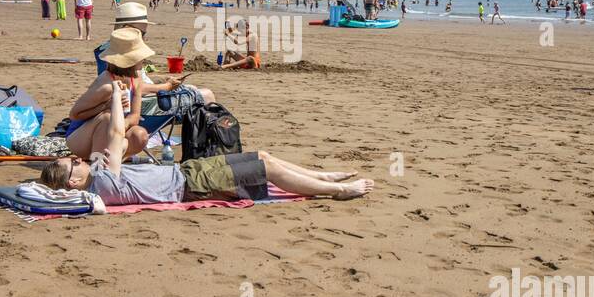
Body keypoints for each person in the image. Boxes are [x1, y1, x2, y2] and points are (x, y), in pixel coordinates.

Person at [41, 79, 375, 203]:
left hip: (189, 171)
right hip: (192, 185)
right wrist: (116, 93)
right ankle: (338, 191)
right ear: (72, 180)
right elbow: (114, 135)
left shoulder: (98, 177)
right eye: (73, 163)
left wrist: (124, 94)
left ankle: (323, 176)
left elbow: (117, 136)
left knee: (263, 155)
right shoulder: (102, 184)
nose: (79, 159)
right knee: (265, 169)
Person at [66, 27, 173, 160]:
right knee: (107, 118)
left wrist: (123, 125)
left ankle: (116, 161)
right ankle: (98, 166)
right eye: (140, 57)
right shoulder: (106, 85)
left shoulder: (137, 78)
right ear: (130, 62)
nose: (143, 60)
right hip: (81, 139)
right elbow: (75, 115)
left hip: (112, 133)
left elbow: (135, 116)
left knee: (140, 135)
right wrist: (106, 106)